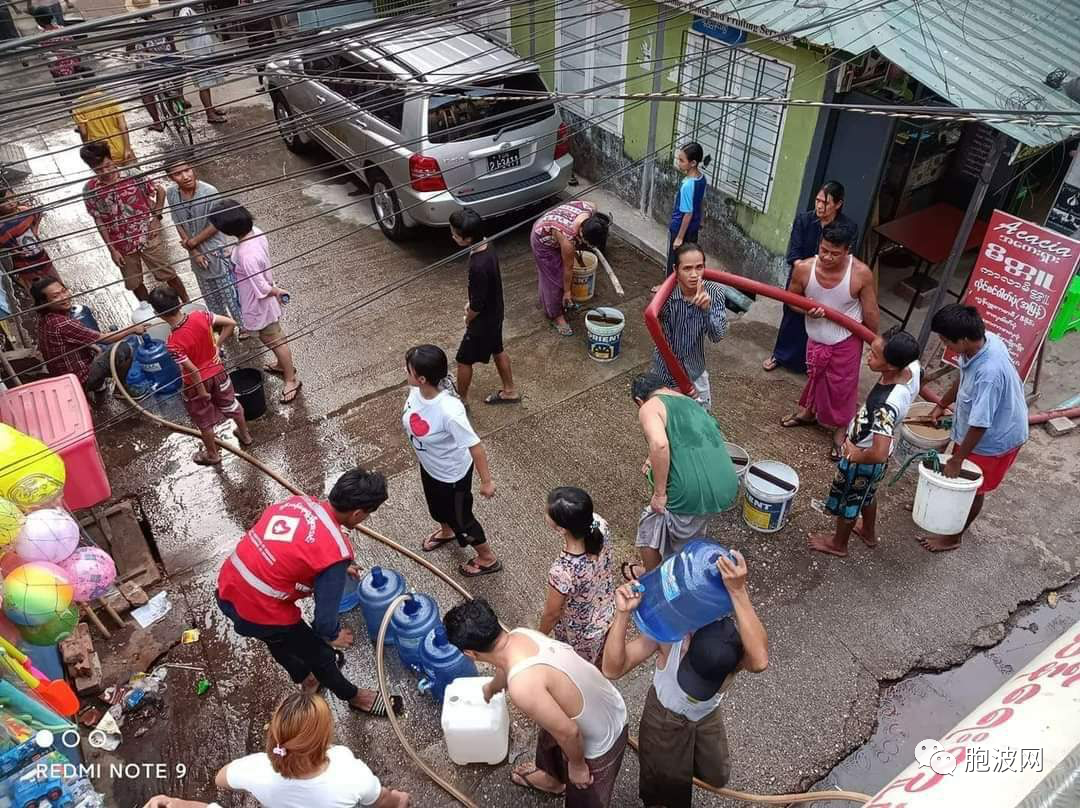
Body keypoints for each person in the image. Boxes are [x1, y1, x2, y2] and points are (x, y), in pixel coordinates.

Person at [216, 468, 403, 716]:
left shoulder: (297, 502)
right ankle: (355, 697)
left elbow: (292, 545)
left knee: (277, 641)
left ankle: (306, 677)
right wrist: (333, 634)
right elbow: (324, 622)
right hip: (261, 610)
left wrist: (335, 565)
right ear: (358, 513)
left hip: (228, 587)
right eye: (366, 515)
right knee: (321, 653)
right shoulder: (335, 554)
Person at [602, 551, 769, 808]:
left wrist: (739, 592)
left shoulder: (731, 648)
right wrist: (622, 615)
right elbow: (613, 669)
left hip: (705, 715)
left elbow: (759, 661)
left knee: (717, 774)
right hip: (664, 719)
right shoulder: (671, 637)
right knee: (665, 788)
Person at [444, 598, 628, 806]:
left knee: (584, 795)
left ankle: (570, 778)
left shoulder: (522, 687)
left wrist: (578, 766)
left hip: (603, 740)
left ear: (470, 653)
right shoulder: (520, 635)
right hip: (603, 702)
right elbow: (505, 667)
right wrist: (492, 687)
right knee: (549, 734)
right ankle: (553, 780)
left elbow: (569, 732)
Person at [143, 693, 412, 808]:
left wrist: (177, 803)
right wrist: (398, 799)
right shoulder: (347, 769)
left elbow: (220, 779)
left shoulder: (257, 768)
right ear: (323, 740)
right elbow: (380, 800)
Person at [921, 304, 1029, 552]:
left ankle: (954, 537)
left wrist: (958, 459)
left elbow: (981, 425)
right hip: (973, 431)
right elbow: (963, 375)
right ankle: (942, 509)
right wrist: (942, 404)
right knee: (954, 475)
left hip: (994, 440)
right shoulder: (982, 342)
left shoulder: (989, 372)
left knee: (973, 488)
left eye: (947, 340)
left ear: (966, 339)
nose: (944, 344)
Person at [808, 328, 921, 557]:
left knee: (850, 501)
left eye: (875, 355)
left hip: (865, 458)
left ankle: (838, 544)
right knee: (866, 494)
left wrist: (855, 455)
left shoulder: (885, 406)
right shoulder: (912, 368)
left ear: (891, 366)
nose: (868, 355)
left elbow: (877, 452)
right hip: (874, 457)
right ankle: (868, 532)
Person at [781, 221, 879, 460]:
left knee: (842, 388)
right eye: (824, 250)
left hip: (845, 341)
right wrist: (805, 309)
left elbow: (870, 312)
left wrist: (874, 342)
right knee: (815, 378)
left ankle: (840, 429)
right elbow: (790, 298)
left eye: (835, 253)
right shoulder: (804, 268)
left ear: (847, 251)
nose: (827, 257)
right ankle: (808, 412)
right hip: (815, 338)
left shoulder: (860, 274)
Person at [626, 373, 739, 579]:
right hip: (727, 485)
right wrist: (652, 458)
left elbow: (660, 444)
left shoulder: (648, 407)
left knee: (652, 522)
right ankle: (684, 567)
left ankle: (655, 580)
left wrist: (659, 494)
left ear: (639, 400)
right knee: (691, 528)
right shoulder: (691, 402)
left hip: (693, 491)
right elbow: (690, 438)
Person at [403, 344, 501, 577]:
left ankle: (487, 558)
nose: (405, 372)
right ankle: (446, 531)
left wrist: (486, 482)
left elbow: (475, 446)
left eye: (408, 369)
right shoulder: (417, 391)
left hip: (452, 475)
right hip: (430, 466)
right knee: (436, 507)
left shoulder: (449, 411)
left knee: (462, 520)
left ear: (423, 378)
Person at [209, 199, 301, 403]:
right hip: (258, 302)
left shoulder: (246, 254)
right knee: (271, 338)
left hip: (259, 305)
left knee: (274, 340)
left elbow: (262, 288)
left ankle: (291, 378)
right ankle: (281, 365)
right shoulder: (255, 233)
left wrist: (277, 291)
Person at [148, 286, 251, 466]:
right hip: (219, 372)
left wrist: (202, 392)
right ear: (180, 303)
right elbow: (231, 323)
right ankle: (245, 435)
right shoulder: (200, 316)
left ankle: (212, 454)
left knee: (204, 421)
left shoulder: (173, 343)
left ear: (158, 314)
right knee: (232, 404)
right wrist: (217, 346)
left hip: (196, 385)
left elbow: (193, 370)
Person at [764, 180, 857, 374]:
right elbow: (795, 253)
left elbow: (845, 259)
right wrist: (806, 275)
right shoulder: (804, 220)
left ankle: (810, 363)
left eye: (826, 203)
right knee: (791, 318)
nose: (820, 206)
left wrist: (823, 280)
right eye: (818, 200)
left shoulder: (847, 228)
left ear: (838, 204)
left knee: (818, 323)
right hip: (801, 278)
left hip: (828, 282)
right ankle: (779, 355)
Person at [80, 141, 188, 305]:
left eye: (108, 166)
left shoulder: (132, 174)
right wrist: (112, 250)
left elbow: (159, 191)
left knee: (167, 273)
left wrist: (156, 219)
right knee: (134, 283)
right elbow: (99, 220)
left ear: (112, 159)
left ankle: (187, 302)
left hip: (147, 235)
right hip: (121, 244)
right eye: (99, 170)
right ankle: (151, 312)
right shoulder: (90, 189)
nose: (106, 172)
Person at [163, 155, 244, 328]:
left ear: (192, 168)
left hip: (216, 250)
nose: (185, 176)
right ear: (170, 177)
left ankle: (243, 326)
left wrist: (193, 243)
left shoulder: (209, 192)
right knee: (210, 295)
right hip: (195, 254)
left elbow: (217, 222)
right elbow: (178, 222)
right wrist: (194, 251)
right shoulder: (171, 194)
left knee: (230, 292)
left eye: (187, 170)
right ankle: (223, 325)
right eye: (178, 174)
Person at [449, 207, 517, 405]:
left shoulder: (478, 265)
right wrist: (472, 302)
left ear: (468, 239)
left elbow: (477, 305)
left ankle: (460, 401)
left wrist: (468, 317)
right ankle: (510, 391)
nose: (452, 236)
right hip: (495, 312)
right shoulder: (487, 244)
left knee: (463, 359)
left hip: (483, 319)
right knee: (498, 349)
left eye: (455, 234)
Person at [538, 487, 615, 664]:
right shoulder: (598, 524)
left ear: (561, 529)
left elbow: (552, 614)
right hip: (607, 611)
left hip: (581, 633)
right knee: (601, 659)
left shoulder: (563, 571)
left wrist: (538, 637)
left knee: (579, 669)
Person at [31, 277, 144, 394]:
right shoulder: (62, 323)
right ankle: (120, 390)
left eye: (64, 291)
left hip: (62, 375)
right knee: (123, 348)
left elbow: (71, 339)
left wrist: (90, 345)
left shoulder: (44, 318)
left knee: (98, 345)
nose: (64, 297)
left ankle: (99, 384)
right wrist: (132, 329)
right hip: (78, 380)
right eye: (55, 296)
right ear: (44, 302)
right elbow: (105, 339)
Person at [649, 243, 727, 410]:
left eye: (699, 267)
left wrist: (707, 310)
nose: (694, 274)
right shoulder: (666, 296)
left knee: (703, 419)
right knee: (666, 420)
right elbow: (655, 325)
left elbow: (718, 336)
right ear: (676, 269)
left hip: (694, 371)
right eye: (687, 269)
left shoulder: (715, 293)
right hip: (664, 372)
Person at [530, 200, 610, 336]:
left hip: (553, 227)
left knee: (557, 278)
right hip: (542, 240)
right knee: (555, 281)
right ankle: (555, 316)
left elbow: (593, 204)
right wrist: (567, 291)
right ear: (581, 232)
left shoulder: (590, 208)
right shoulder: (567, 241)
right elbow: (568, 268)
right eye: (587, 243)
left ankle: (558, 302)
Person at [126, 0, 184, 133]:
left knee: (146, 92)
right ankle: (179, 95)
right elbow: (171, 41)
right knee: (178, 74)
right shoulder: (158, 20)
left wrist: (129, 51)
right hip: (170, 61)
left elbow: (130, 47)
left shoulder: (134, 25)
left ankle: (157, 122)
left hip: (150, 66)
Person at [659, 142, 709, 287]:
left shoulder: (688, 185)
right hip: (693, 227)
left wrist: (679, 237)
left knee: (673, 261)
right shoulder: (701, 178)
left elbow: (688, 212)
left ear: (693, 163)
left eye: (682, 160)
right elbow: (700, 202)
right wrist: (700, 220)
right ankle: (685, 286)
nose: (679, 163)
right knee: (689, 259)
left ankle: (666, 289)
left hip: (680, 227)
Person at [0, 188, 60, 295]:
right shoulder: (2, 226)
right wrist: (10, 250)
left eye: (12, 198)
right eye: (5, 202)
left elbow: (37, 216)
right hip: (23, 264)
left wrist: (35, 231)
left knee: (57, 282)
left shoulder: (24, 211)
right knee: (35, 290)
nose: (11, 203)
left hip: (41, 255)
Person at [176, 2, 228, 123]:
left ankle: (210, 108)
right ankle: (209, 114)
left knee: (207, 84)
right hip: (197, 54)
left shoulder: (189, 10)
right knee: (204, 85)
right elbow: (182, 24)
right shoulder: (186, 10)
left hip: (203, 51)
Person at [72, 74, 134, 166]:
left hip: (100, 152)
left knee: (111, 178)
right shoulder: (110, 98)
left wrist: (88, 149)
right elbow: (123, 126)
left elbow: (84, 133)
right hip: (120, 147)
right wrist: (127, 148)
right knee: (135, 177)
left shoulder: (77, 105)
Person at [30, 6, 81, 94]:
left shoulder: (41, 38)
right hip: (72, 66)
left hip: (58, 71)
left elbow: (43, 55)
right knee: (78, 89)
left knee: (65, 92)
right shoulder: (62, 29)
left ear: (39, 22)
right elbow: (73, 45)